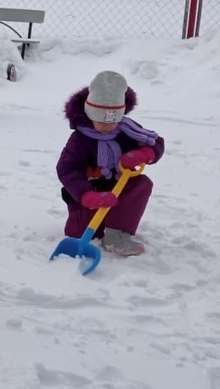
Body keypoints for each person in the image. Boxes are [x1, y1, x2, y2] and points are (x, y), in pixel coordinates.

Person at [56, 70, 165, 257]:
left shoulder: (128, 130)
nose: (106, 127)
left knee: (142, 183)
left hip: (119, 192)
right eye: (100, 121)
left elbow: (156, 142)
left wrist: (146, 153)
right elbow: (67, 168)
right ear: (90, 114)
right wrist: (86, 195)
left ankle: (118, 234)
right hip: (91, 197)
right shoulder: (80, 139)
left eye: (113, 121)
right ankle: (102, 220)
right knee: (76, 232)